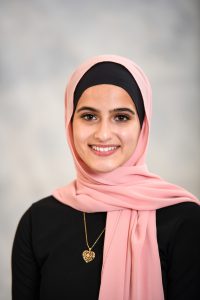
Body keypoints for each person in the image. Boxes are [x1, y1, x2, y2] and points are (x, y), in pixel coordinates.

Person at [12, 55, 200, 300]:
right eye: (89, 116)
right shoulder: (37, 221)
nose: (103, 134)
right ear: (70, 123)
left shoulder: (185, 222)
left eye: (121, 117)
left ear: (142, 126)